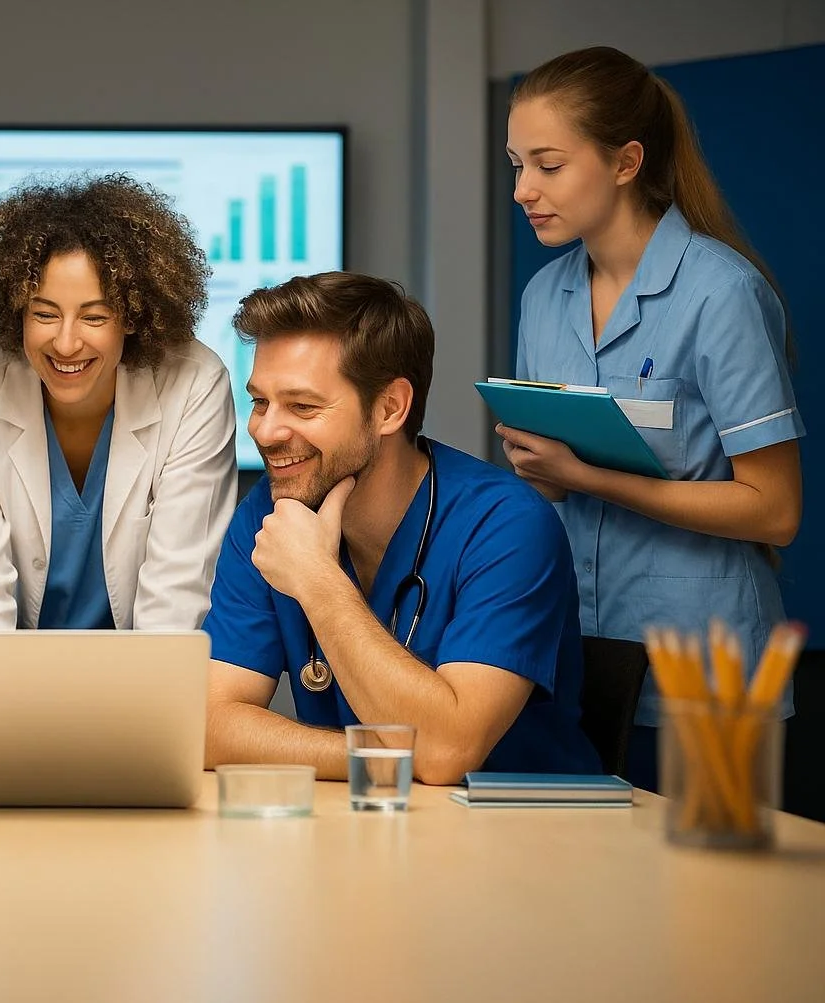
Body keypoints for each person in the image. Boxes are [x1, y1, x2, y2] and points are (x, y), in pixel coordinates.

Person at [501, 46, 804, 789]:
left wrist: (587, 477)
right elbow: (553, 484)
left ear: (626, 162)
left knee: (702, 866)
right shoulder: (544, 296)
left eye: (548, 165)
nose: (523, 190)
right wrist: (540, 476)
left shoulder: (720, 294)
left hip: (704, 673)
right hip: (575, 655)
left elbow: (775, 512)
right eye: (516, 165)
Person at [203, 272, 600, 783]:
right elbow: (209, 724)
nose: (265, 430)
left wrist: (318, 581)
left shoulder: (507, 525)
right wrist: (382, 754)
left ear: (390, 408)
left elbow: (445, 753)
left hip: (523, 825)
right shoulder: (273, 512)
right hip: (369, 816)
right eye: (260, 401)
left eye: (302, 406)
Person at [0, 173, 237, 631]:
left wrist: (150, 681)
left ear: (133, 315)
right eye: (44, 314)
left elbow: (178, 593)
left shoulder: (194, 384)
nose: (66, 343)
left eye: (94, 317)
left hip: (149, 664)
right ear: (16, 311)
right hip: (15, 668)